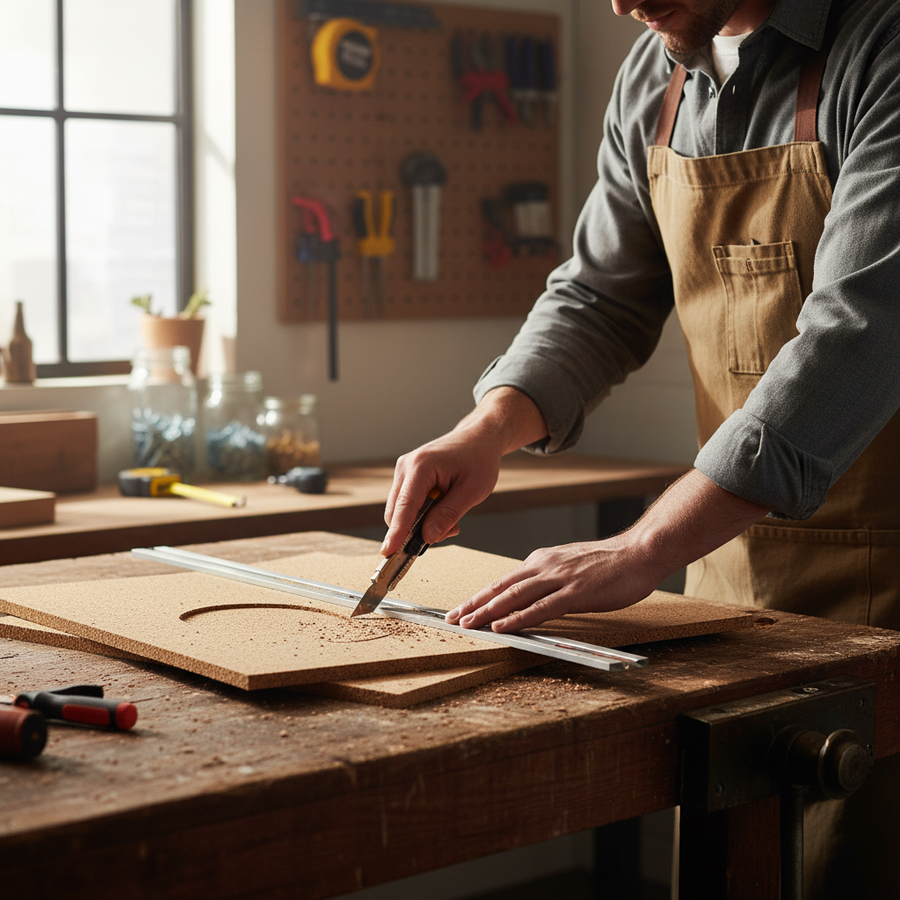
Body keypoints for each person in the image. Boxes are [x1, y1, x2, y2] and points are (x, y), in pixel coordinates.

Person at [380, 0, 900, 895]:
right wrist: (488, 427)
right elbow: (598, 296)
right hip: (729, 581)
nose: (619, 2)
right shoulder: (653, 75)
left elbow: (860, 333)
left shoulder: (881, 45)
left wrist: (640, 547)